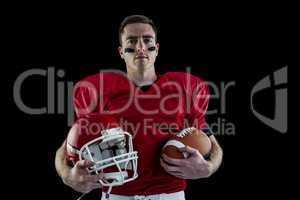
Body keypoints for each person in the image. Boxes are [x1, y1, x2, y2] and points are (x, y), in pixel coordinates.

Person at [55, 15, 223, 200]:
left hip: (170, 194)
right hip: (117, 194)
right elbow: (67, 148)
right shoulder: (97, 90)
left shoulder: (185, 87)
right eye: (132, 41)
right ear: (121, 52)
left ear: (157, 49)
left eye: (147, 40)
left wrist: (208, 168)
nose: (140, 47)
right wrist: (67, 176)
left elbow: (213, 144)